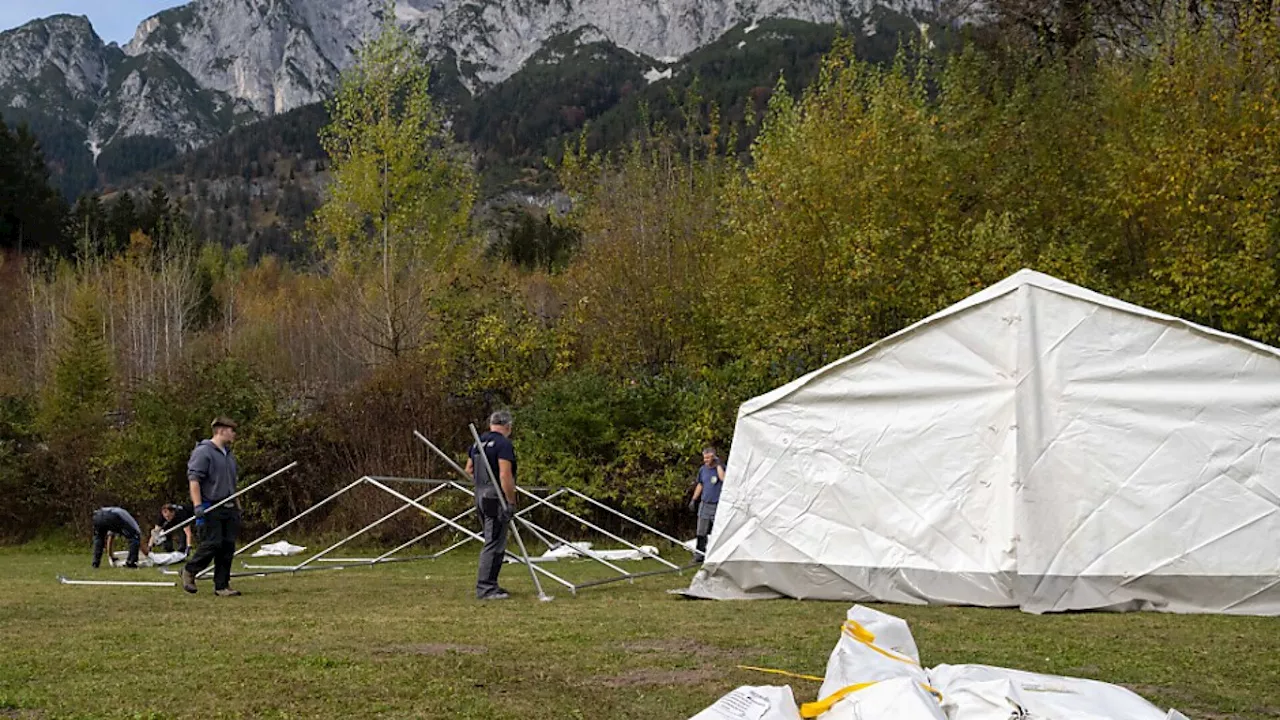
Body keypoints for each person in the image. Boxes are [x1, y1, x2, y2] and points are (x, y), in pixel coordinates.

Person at [180, 417, 242, 597]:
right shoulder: (204, 452)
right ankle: (190, 570)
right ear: (221, 430)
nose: (234, 434)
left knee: (227, 546)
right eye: (231, 430)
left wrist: (237, 505)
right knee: (213, 543)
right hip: (211, 505)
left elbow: (232, 483)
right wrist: (197, 505)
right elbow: (194, 481)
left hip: (229, 506)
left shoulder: (228, 455)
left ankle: (222, 585)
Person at [465, 410, 518, 601]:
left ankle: (491, 584)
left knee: (495, 540)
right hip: (495, 498)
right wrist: (510, 501)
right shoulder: (503, 444)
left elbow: (469, 469)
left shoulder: (478, 443)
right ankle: (485, 587)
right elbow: (505, 475)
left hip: (480, 495)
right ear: (508, 426)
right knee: (493, 541)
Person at [689, 446, 726, 562]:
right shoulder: (702, 470)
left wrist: (719, 464)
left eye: (709, 458)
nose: (706, 460)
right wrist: (694, 499)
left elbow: (723, 478)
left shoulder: (720, 468)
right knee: (701, 531)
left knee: (718, 530)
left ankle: (718, 555)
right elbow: (700, 484)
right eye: (705, 458)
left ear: (714, 457)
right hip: (705, 503)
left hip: (717, 504)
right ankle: (699, 554)